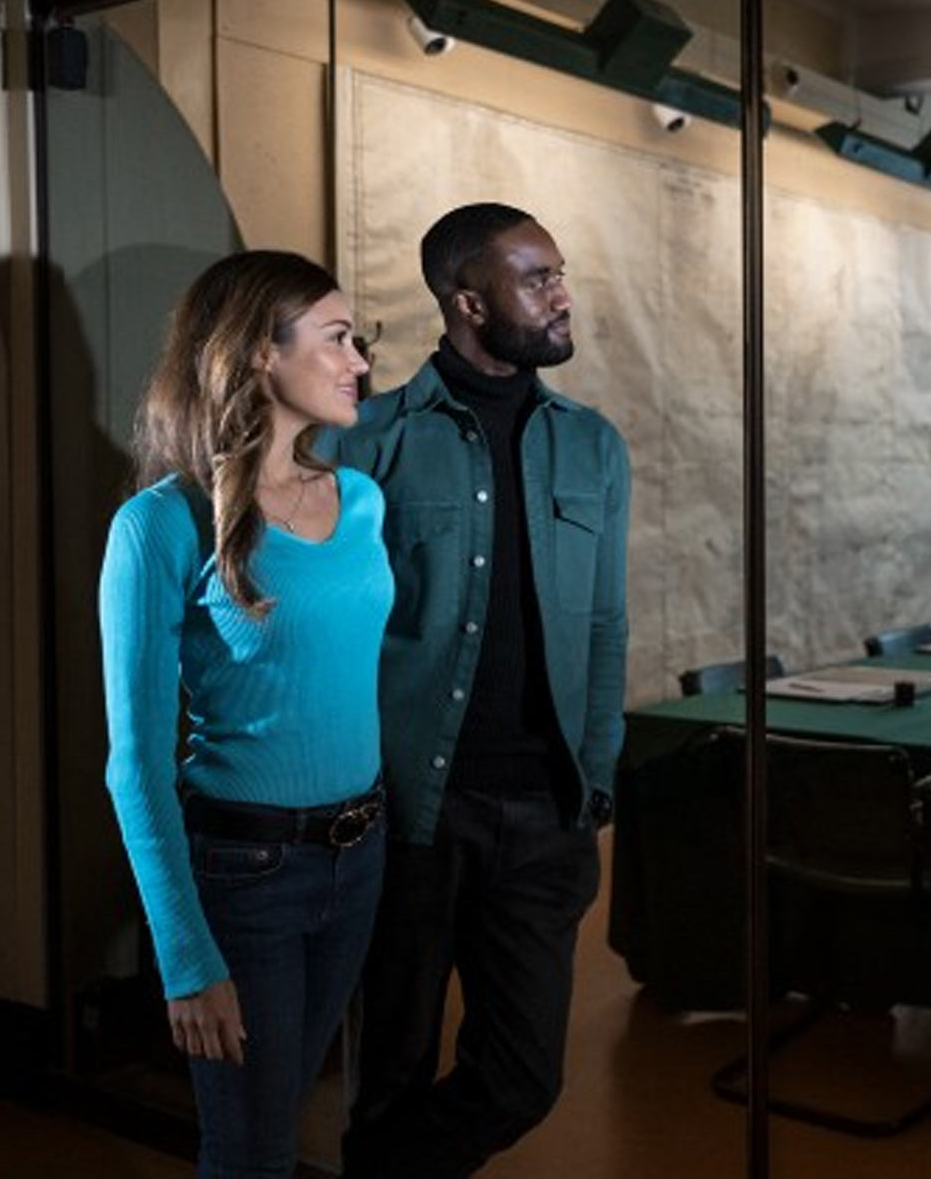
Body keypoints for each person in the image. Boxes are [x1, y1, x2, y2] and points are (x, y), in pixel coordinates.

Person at [333, 203, 631, 1177]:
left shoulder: (594, 445)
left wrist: (595, 776)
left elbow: (606, 622)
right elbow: (334, 636)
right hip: (415, 812)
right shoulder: (370, 443)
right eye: (536, 278)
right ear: (468, 301)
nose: (562, 295)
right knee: (391, 1068)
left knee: (522, 1077)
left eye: (559, 273)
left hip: (546, 812)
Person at [100, 251, 390, 1177]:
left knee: (283, 1117)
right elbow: (135, 763)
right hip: (246, 873)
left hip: (360, 852)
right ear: (261, 353)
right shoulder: (161, 523)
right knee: (253, 1151)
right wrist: (186, 956)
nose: (359, 362)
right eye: (338, 338)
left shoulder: (362, 501)